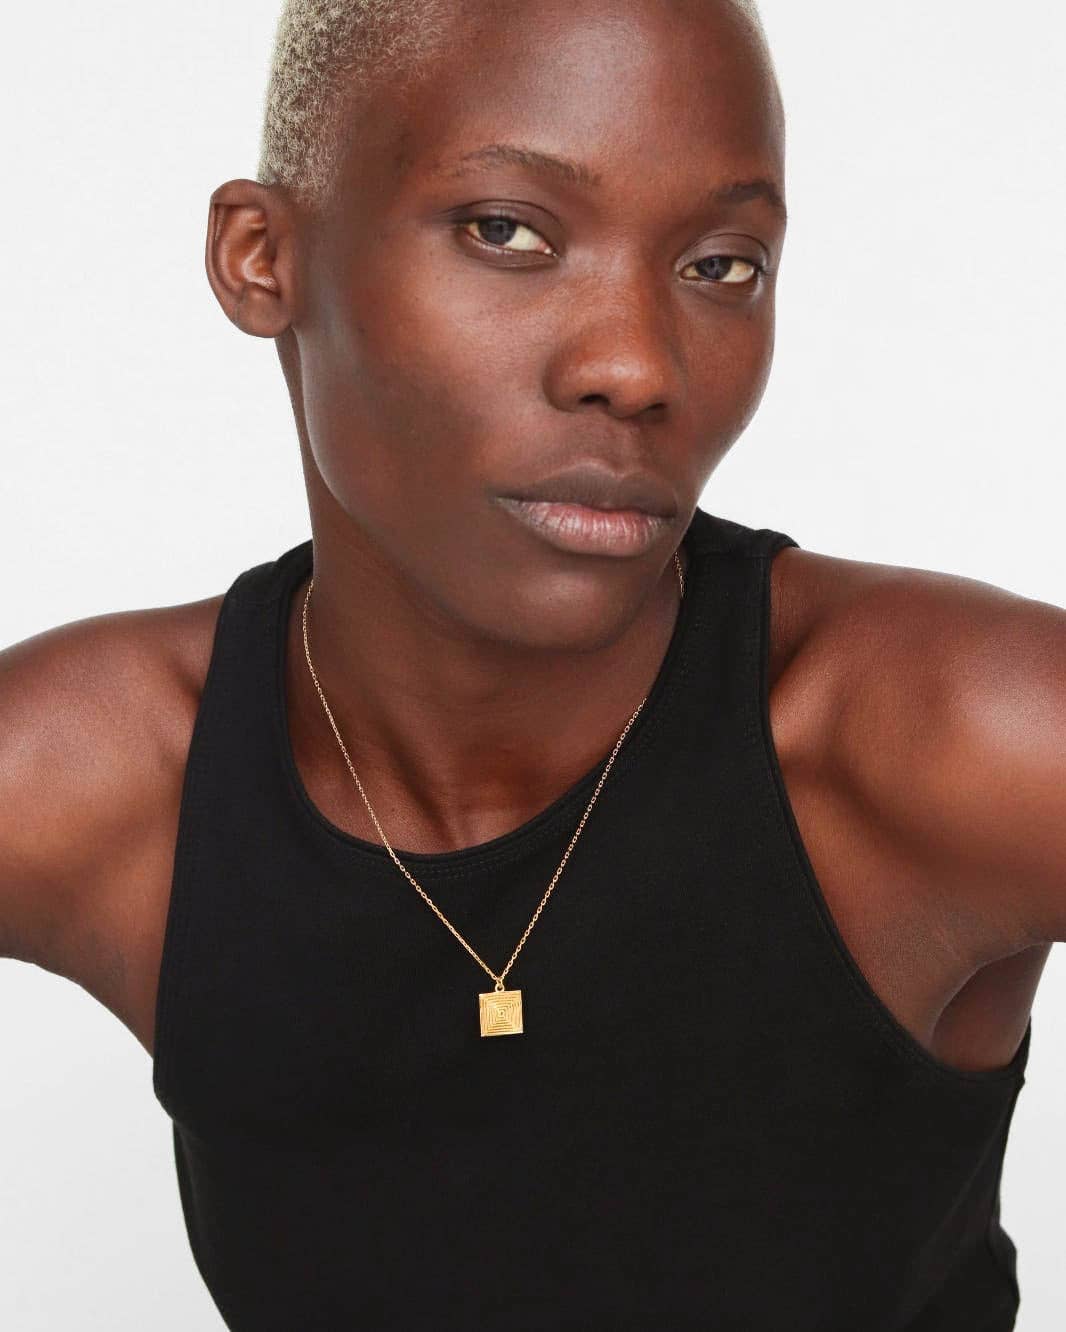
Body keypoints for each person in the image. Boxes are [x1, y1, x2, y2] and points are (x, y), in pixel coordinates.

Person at [1, 0, 1062, 1327]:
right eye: (507, 231)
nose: (634, 365)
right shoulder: (102, 778)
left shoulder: (948, 736)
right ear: (263, 256)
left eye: (720, 263)